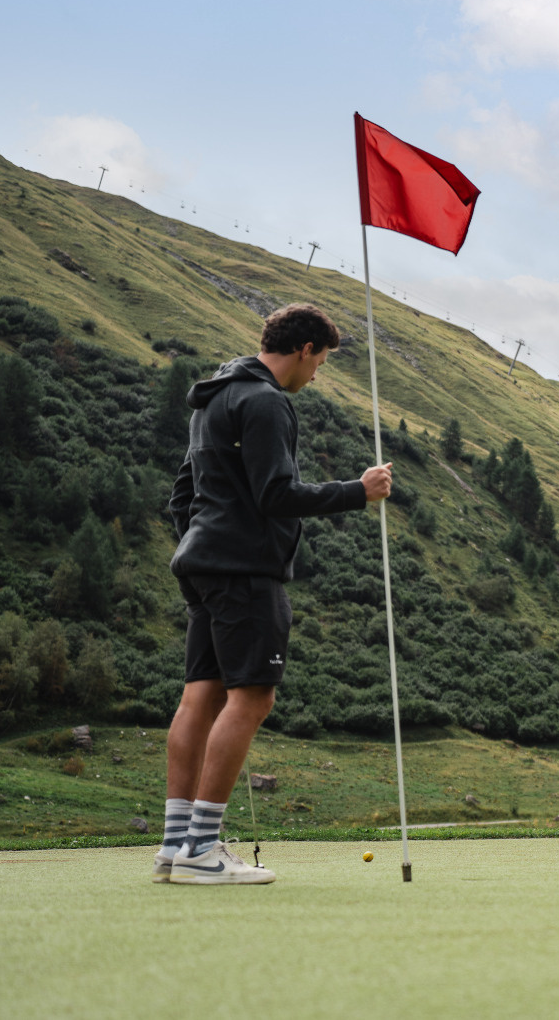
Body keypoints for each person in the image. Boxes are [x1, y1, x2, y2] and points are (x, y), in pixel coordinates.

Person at [157, 303, 392, 884]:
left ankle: (174, 847)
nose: (317, 377)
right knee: (253, 698)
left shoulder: (215, 395)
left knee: (201, 697)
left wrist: (203, 544)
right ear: (306, 349)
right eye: (321, 363)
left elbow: (182, 494)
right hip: (242, 568)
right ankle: (201, 851)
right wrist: (356, 492)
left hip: (204, 563)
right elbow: (276, 494)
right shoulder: (266, 401)